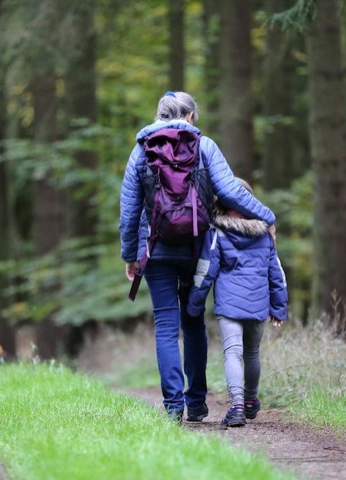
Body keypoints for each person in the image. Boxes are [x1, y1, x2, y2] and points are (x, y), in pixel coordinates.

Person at [119, 91, 276, 424]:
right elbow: (232, 191)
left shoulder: (140, 151)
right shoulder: (205, 146)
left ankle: (173, 406)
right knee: (193, 322)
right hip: (197, 248)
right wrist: (267, 217)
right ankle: (197, 403)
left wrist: (131, 254)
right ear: (189, 116)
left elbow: (129, 210)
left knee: (165, 325)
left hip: (156, 250)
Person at [186, 179, 287, 427]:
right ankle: (251, 401)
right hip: (258, 304)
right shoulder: (265, 234)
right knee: (252, 353)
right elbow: (277, 274)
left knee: (233, 353)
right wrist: (279, 307)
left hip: (230, 306)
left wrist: (194, 304)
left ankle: (238, 406)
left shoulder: (218, 232)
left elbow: (205, 270)